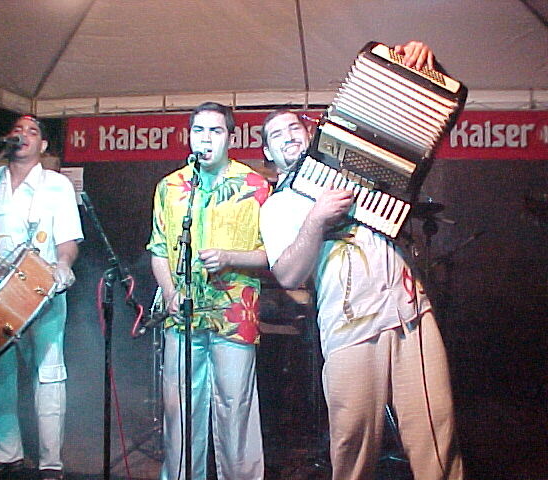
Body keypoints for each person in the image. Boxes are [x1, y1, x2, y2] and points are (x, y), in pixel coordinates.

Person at [259, 42, 464, 479]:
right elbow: (288, 274)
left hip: (410, 313)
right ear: (268, 155)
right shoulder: (278, 206)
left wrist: (425, 69)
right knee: (352, 442)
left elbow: (421, 123)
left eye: (294, 127)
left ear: (311, 133)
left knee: (437, 432)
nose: (289, 136)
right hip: (349, 326)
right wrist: (316, 219)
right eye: (276, 135)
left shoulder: (365, 167)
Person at [147, 102, 271, 479]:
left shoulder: (255, 186)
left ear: (230, 138)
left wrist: (231, 257)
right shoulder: (170, 187)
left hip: (234, 313)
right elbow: (158, 249)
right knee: (179, 409)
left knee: (235, 408)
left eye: (216, 131)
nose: (206, 139)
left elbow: (275, 254)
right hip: (182, 314)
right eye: (199, 130)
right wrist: (169, 292)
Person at [0, 115, 83, 480]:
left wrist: (64, 264)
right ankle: (4, 455)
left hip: (43, 290)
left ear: (43, 145)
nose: (23, 135)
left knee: (48, 374)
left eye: (32, 131)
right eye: (17, 130)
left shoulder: (57, 185)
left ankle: (50, 462)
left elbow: (68, 240)